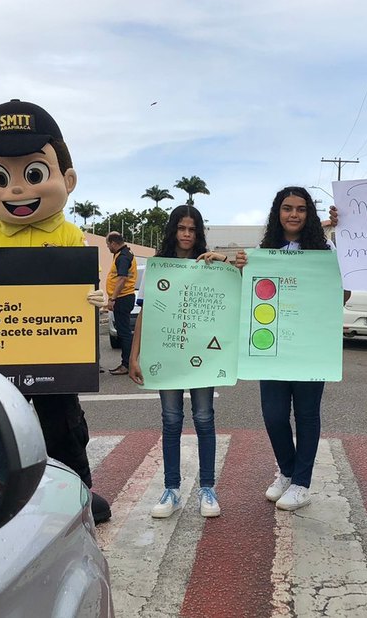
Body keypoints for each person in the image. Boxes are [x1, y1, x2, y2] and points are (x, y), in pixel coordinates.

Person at [0, 99, 111, 524]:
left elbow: (83, 289)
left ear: (67, 180)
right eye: (1, 176)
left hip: (56, 361)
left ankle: (77, 494)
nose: (17, 189)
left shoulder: (70, 235)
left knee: (64, 429)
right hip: (0, 358)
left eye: (33, 174)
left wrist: (93, 300)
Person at [235, 187, 343, 512]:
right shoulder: (263, 250)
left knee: (307, 415)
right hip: (274, 347)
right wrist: (241, 270)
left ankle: (301, 483)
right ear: (277, 212)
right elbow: (249, 296)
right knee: (274, 415)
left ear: (309, 213)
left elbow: (342, 295)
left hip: (311, 347)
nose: (294, 215)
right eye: (287, 208)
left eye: (300, 209)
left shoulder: (326, 250)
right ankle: (287, 470)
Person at [128, 205, 236, 518]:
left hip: (203, 357)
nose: (187, 235)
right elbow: (146, 313)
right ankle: (171, 489)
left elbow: (235, 291)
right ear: (173, 230)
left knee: (204, 418)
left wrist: (224, 261)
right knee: (171, 419)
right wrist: (134, 356)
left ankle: (207, 488)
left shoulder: (211, 265)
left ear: (199, 232)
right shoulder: (159, 266)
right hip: (168, 355)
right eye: (181, 228)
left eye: (192, 229)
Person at [105, 231, 137, 375]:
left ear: (113, 243)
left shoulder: (123, 257)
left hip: (122, 298)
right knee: (124, 332)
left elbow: (122, 279)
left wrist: (113, 299)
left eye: (108, 245)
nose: (108, 248)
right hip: (125, 297)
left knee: (124, 333)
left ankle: (127, 364)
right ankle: (128, 363)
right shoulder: (125, 253)